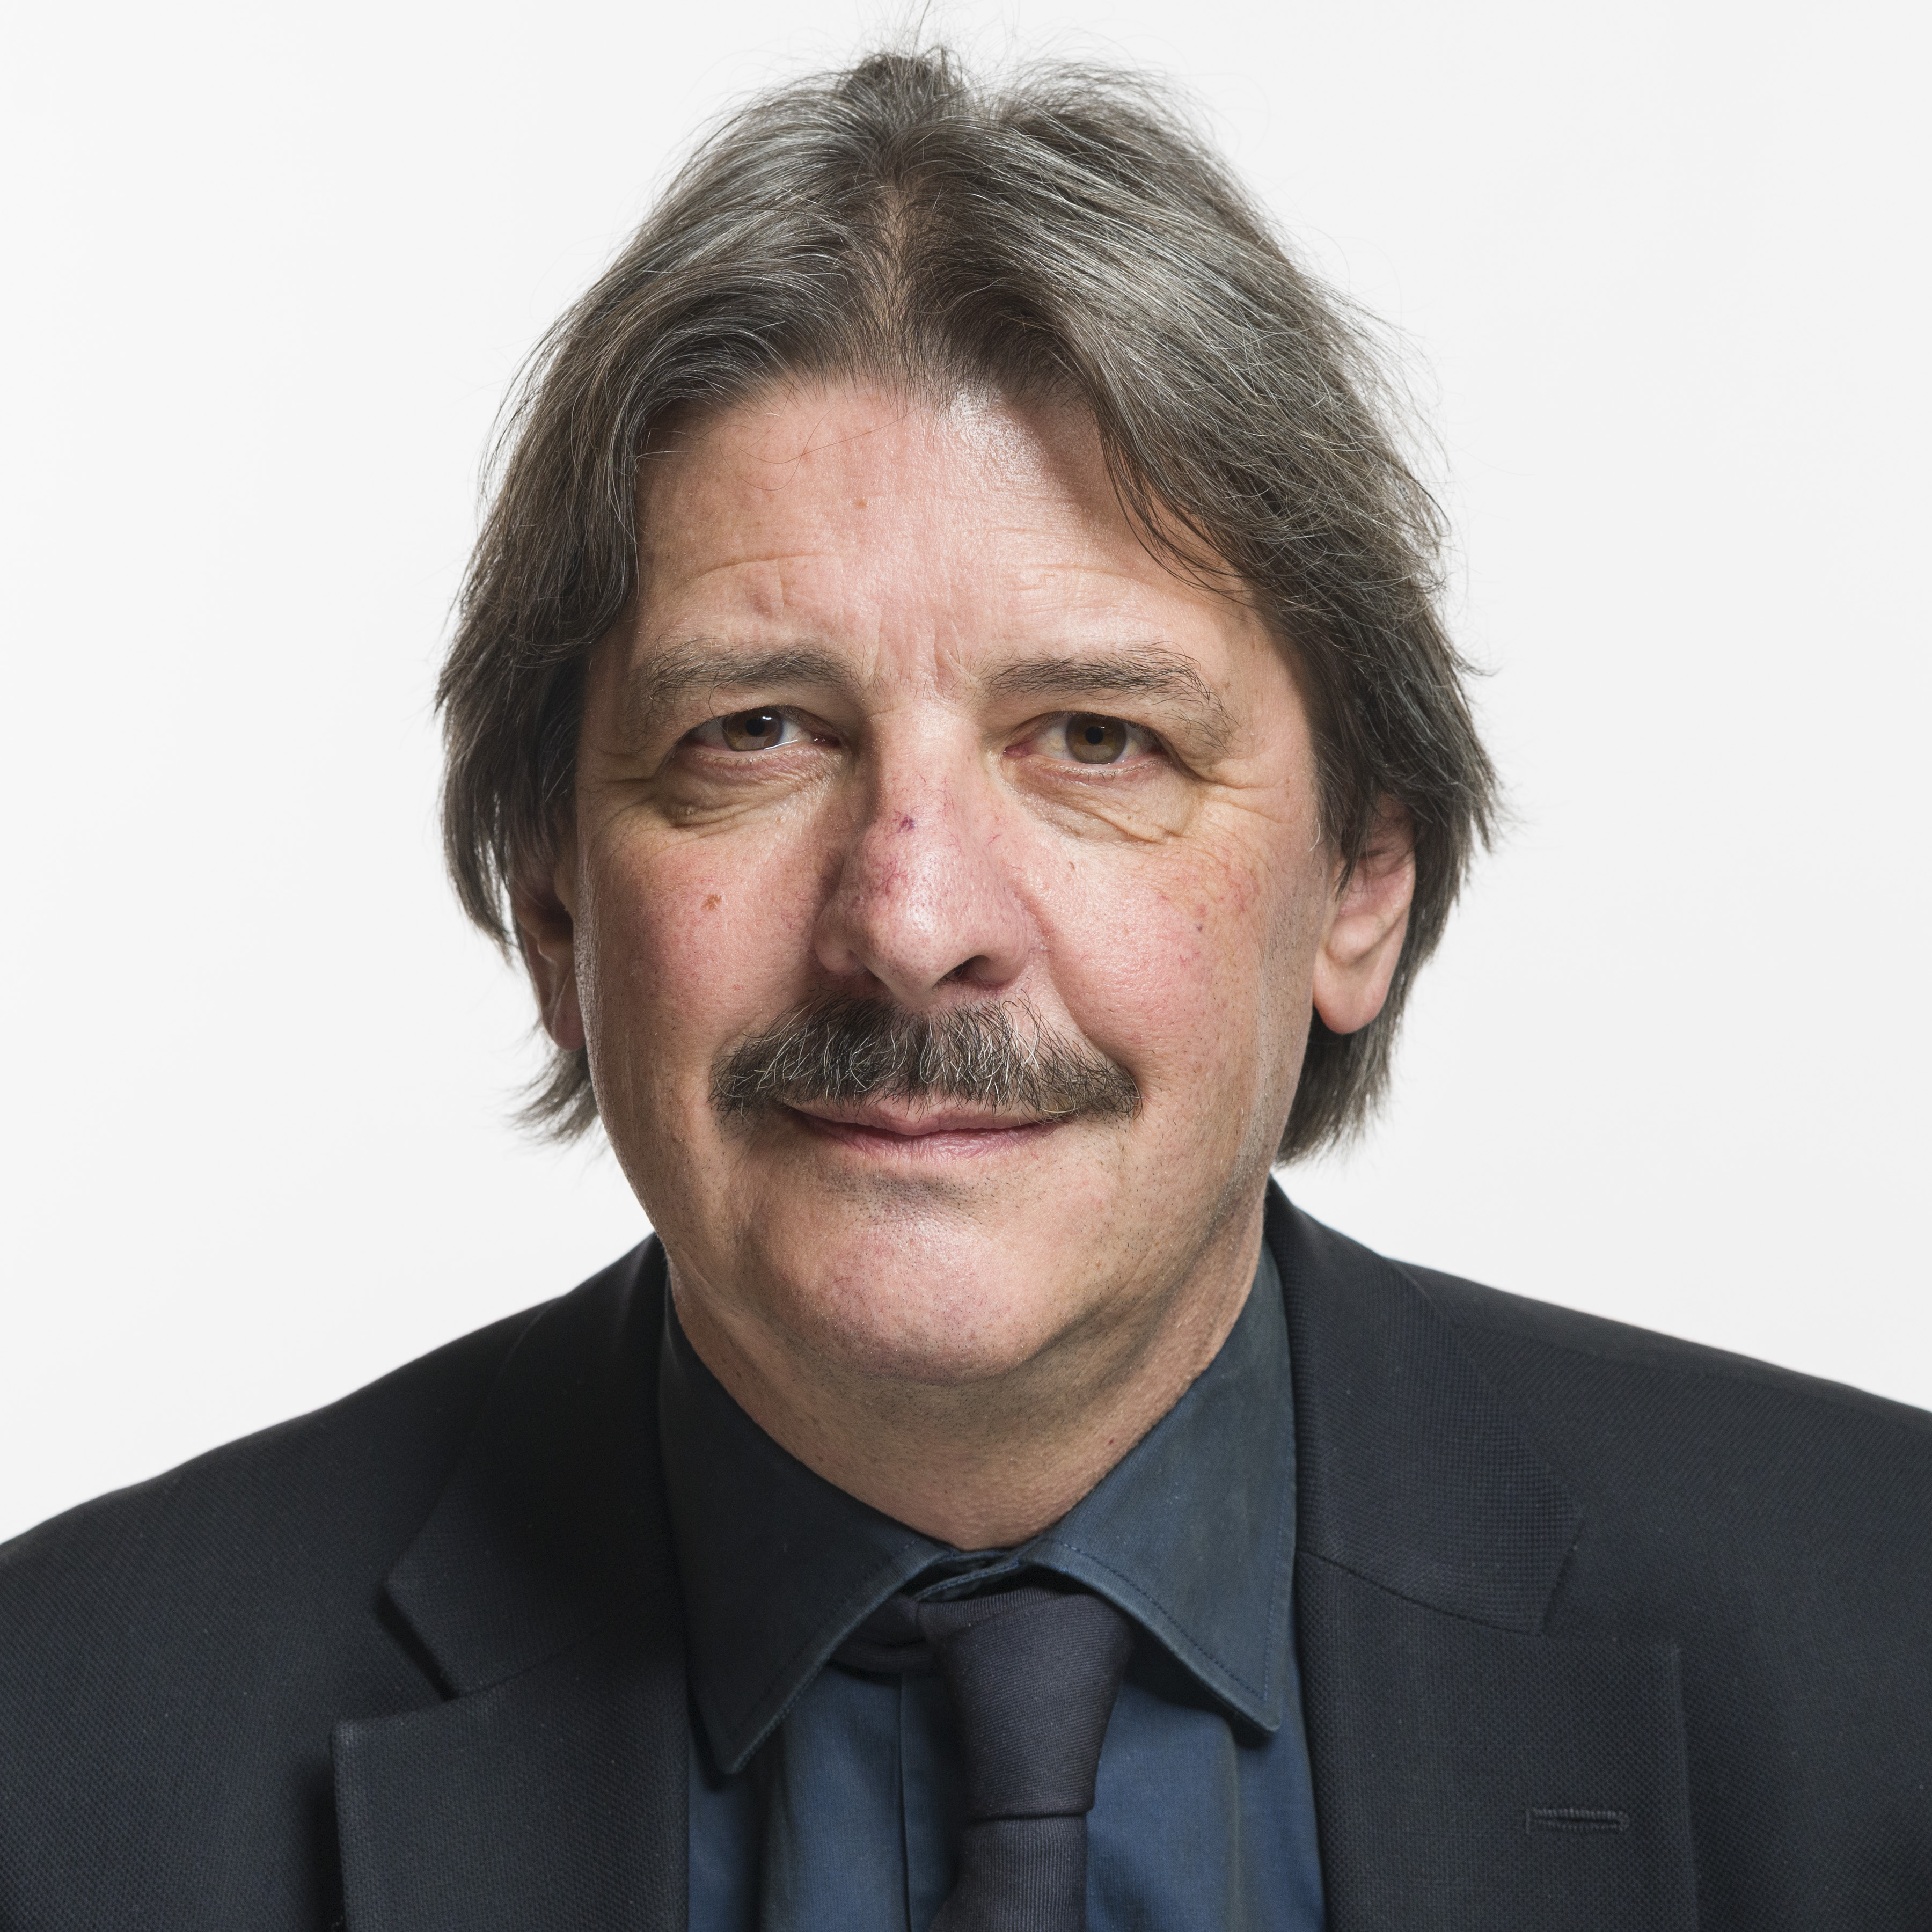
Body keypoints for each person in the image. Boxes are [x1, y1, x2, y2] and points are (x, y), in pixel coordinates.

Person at [1, 45, 1927, 1932]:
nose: (912, 922)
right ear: (555, 899)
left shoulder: (1889, 1658)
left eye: (1096, 738)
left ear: (1362, 880)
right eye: (757, 733)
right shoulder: (59, 1755)